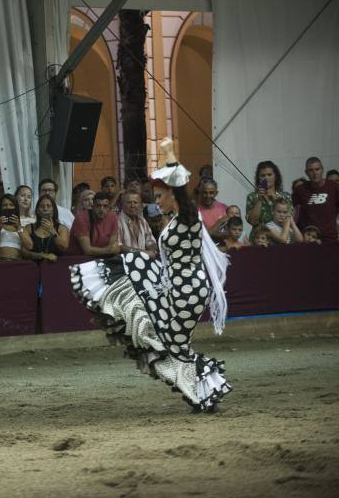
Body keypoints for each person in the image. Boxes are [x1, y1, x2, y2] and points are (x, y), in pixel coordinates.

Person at [69, 137, 231, 411]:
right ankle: (204, 392)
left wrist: (170, 157)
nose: (155, 201)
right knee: (170, 343)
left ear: (171, 195)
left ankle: (202, 392)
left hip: (186, 289)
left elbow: (183, 195)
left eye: (159, 196)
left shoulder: (188, 218)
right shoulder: (175, 222)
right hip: (178, 285)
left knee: (167, 342)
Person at [292, 157, 338, 243]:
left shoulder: (334, 187)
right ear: (306, 172)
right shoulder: (300, 190)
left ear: (322, 169)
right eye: (311, 170)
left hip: (330, 238)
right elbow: (293, 213)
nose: (315, 173)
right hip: (309, 239)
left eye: (317, 169)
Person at [21, 195, 69, 263]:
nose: (45, 209)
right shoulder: (29, 227)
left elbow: (64, 247)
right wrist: (42, 255)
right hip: (34, 268)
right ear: (38, 211)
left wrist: (52, 230)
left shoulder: (61, 228)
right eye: (42, 206)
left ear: (53, 210)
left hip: (56, 267)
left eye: (48, 206)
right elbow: (24, 252)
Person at [70, 192, 119, 257]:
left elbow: (112, 246)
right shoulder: (82, 217)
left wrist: (110, 250)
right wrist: (109, 250)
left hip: (101, 258)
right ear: (92, 206)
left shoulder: (113, 217)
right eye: (98, 206)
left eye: (105, 206)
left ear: (109, 207)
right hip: (78, 259)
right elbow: (87, 251)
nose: (102, 209)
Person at [246, 160, 291, 228]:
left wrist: (276, 199)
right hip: (259, 237)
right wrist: (260, 200)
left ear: (275, 176)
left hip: (280, 235)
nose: (266, 178)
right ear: (258, 178)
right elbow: (252, 221)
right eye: (262, 175)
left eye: (269, 175)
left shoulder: (285, 196)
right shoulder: (252, 196)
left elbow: (290, 218)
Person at [0, 194, 32, 261]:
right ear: (1, 208)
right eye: (4, 205)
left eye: (11, 205)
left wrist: (18, 227)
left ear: (15, 208)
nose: (8, 207)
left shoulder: (22, 228)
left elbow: (29, 246)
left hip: (16, 264)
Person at [118, 190, 157, 258]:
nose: (132, 206)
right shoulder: (117, 221)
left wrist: (153, 250)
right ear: (122, 204)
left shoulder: (142, 221)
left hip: (144, 262)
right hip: (124, 263)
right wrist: (142, 252)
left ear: (140, 205)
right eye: (129, 202)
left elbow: (150, 241)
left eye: (135, 202)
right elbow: (119, 246)